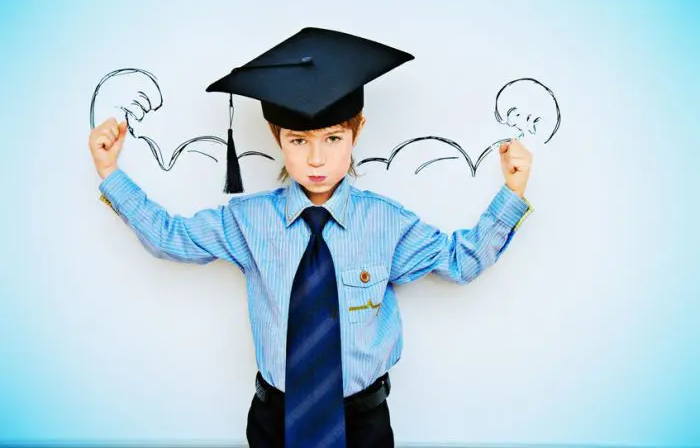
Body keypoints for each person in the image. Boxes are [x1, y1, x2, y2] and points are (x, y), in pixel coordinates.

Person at [88, 27, 534, 448]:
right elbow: (172, 237)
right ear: (277, 136)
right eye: (299, 141)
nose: (316, 158)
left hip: (363, 423)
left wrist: (512, 192)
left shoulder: (387, 223)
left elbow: (460, 261)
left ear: (356, 130)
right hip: (275, 420)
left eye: (333, 138)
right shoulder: (248, 221)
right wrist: (111, 174)